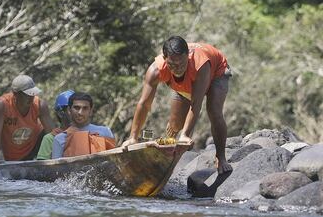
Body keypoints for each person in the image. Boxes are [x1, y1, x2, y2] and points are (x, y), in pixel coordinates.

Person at [122, 36, 233, 174]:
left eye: (181, 64)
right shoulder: (156, 70)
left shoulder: (200, 64)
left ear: (188, 56)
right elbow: (144, 104)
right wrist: (133, 137)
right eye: (172, 65)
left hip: (216, 72)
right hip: (188, 83)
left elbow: (196, 103)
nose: (177, 69)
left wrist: (185, 135)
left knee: (214, 111)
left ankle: (221, 157)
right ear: (165, 58)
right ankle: (167, 150)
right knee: (175, 125)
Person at [0, 75, 54, 166]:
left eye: (33, 93)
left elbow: (52, 133)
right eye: (27, 94)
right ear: (16, 94)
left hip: (34, 145)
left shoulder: (40, 105)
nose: (31, 97)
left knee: (48, 135)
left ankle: (42, 160)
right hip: (12, 154)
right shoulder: (2, 105)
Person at [52, 92, 115, 158]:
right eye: (76, 108)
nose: (80, 113)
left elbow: (115, 161)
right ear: (69, 110)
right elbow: (56, 167)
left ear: (90, 111)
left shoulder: (105, 132)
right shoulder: (60, 139)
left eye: (85, 108)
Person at [36, 90, 75, 160]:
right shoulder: (50, 139)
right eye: (70, 110)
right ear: (60, 113)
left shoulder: (86, 134)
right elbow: (41, 168)